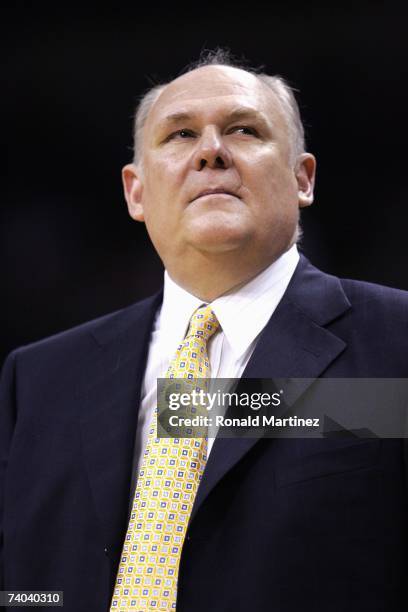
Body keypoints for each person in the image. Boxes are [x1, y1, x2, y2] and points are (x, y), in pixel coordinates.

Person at [1, 49, 408, 612]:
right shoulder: (38, 379)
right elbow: (26, 585)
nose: (210, 151)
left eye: (243, 130)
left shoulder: (396, 340)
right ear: (135, 192)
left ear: (302, 178)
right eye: (180, 135)